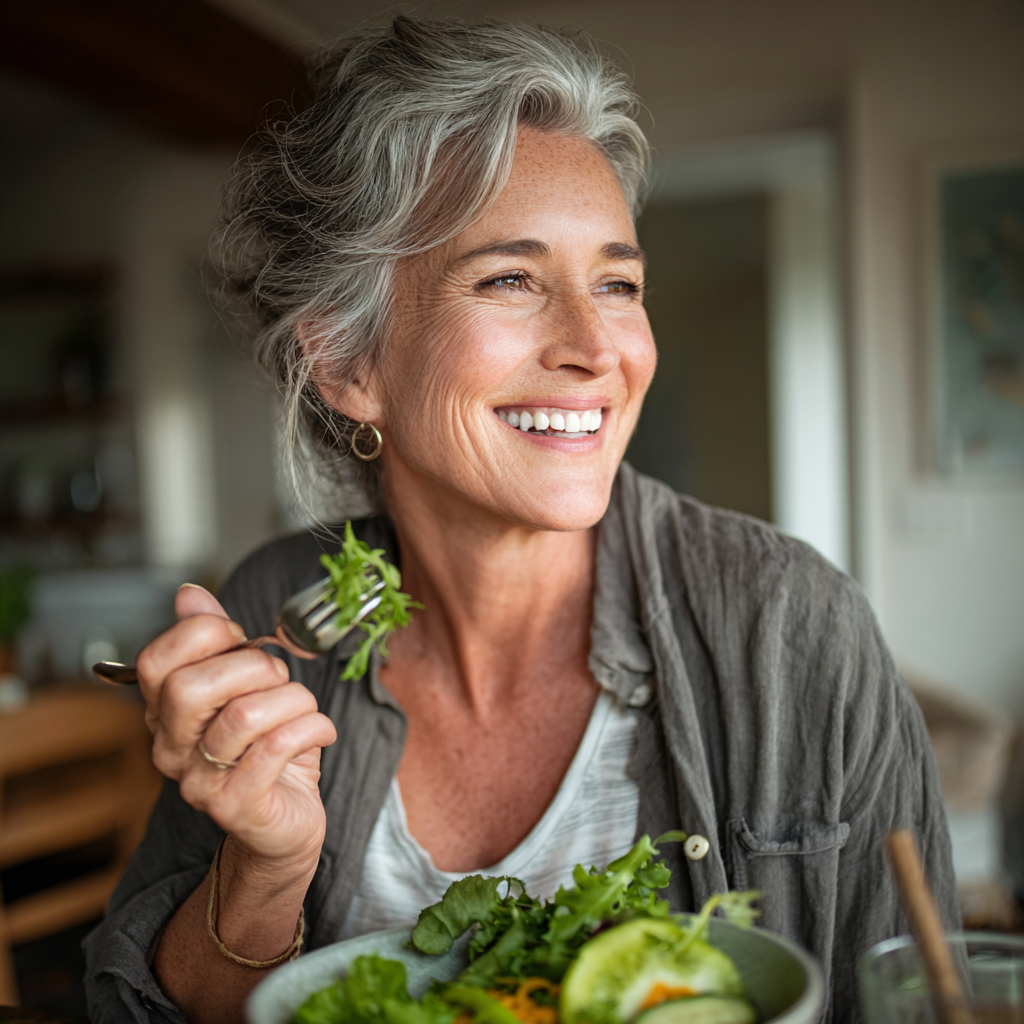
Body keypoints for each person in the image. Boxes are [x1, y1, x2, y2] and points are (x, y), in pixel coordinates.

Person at [84, 17, 956, 1024]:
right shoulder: (283, 610)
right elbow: (146, 1011)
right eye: (510, 278)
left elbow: (921, 1001)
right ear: (347, 365)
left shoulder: (791, 628)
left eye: (618, 284)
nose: (595, 346)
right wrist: (266, 869)